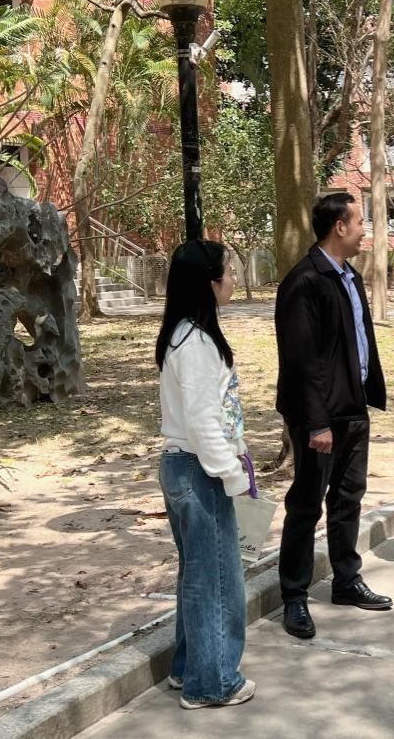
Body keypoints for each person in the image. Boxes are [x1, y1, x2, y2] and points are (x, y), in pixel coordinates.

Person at [275, 193, 391, 639]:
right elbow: (300, 360)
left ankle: (346, 580)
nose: (364, 231)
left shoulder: (349, 276)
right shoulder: (304, 281)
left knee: (348, 499)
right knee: (306, 504)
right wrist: (317, 422)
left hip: (352, 407)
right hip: (319, 418)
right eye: (360, 222)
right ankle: (294, 595)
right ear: (339, 227)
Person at [155, 240, 255, 709]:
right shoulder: (194, 342)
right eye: (228, 272)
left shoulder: (185, 334)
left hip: (188, 468)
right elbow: (201, 421)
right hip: (200, 471)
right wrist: (231, 473)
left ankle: (188, 667)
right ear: (209, 282)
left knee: (198, 575)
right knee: (216, 579)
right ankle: (212, 683)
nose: (233, 279)